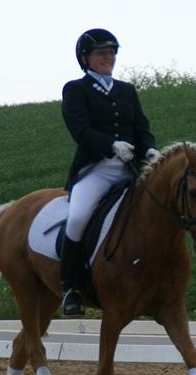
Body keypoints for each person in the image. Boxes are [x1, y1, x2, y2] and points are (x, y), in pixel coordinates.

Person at [59, 28, 158, 317]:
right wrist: (111, 145)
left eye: (111, 52)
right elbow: (80, 130)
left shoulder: (126, 90)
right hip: (97, 170)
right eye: (101, 53)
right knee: (77, 218)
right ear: (86, 58)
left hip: (132, 168)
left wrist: (150, 149)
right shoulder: (75, 89)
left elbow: (141, 127)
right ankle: (70, 287)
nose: (108, 58)